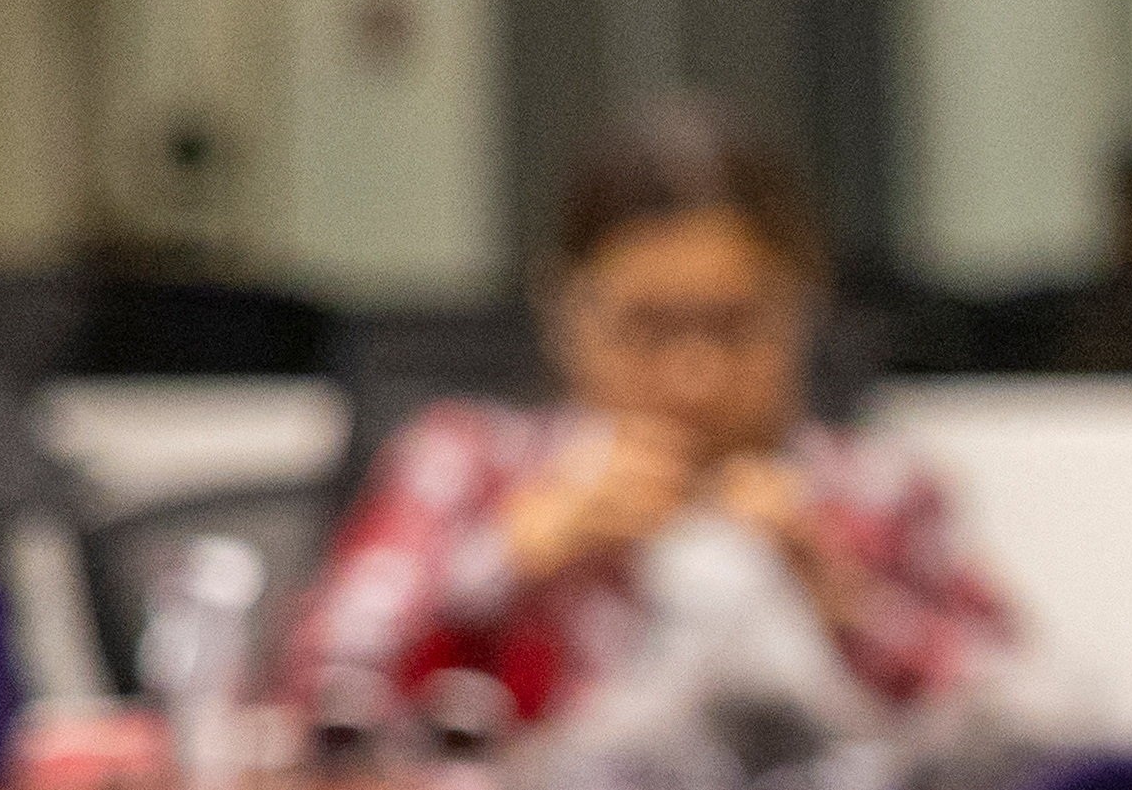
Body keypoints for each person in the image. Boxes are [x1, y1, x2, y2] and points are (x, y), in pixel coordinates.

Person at [293, 98, 1015, 743]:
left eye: (734, 325)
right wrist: (510, 558)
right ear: (566, 312)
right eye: (648, 327)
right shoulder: (470, 462)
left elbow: (1026, 722)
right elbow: (312, 689)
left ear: (799, 313)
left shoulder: (881, 492)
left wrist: (843, 600)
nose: (693, 376)